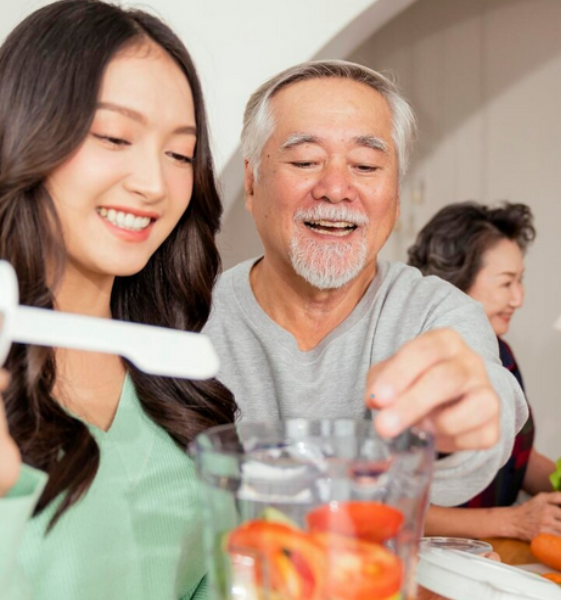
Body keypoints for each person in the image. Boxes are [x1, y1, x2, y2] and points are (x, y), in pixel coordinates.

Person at [0, 1, 236, 598]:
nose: (155, 183)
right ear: (26, 136)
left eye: (180, 153)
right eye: (114, 136)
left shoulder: (177, 390)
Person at [203, 60, 528, 506]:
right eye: (305, 160)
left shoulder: (436, 313)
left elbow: (486, 406)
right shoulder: (190, 317)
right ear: (251, 180)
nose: (335, 188)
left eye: (366, 165)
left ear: (395, 195)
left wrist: (469, 412)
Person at [408, 202, 561, 541]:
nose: (519, 298)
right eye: (506, 283)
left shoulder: (501, 353)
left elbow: (518, 459)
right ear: (452, 286)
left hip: (496, 556)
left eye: (520, 281)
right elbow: (393, 504)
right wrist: (512, 522)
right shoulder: (412, 373)